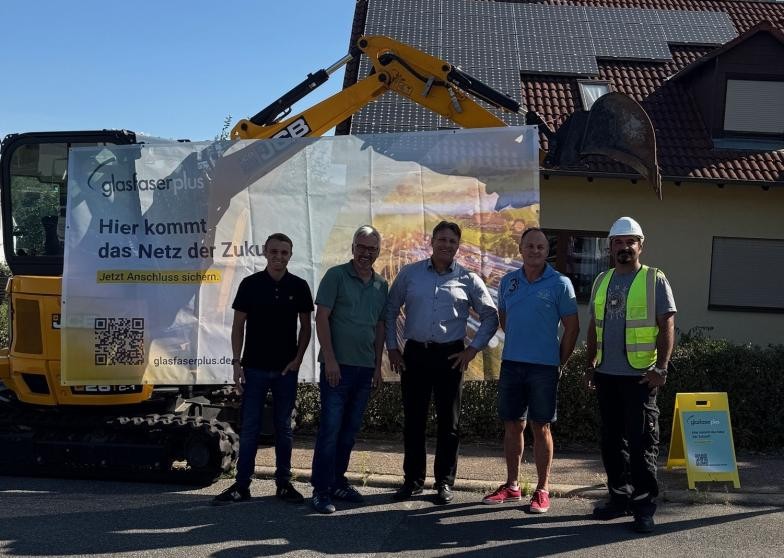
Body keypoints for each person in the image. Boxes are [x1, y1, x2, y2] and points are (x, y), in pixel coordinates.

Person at [387, 221, 499, 504]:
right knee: (414, 421)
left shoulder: (468, 278)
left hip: (450, 357)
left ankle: (444, 483)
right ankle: (412, 481)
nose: (446, 245)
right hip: (414, 355)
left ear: (457, 246)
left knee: (449, 424)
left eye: (451, 241)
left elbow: (490, 316)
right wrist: (392, 348)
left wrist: (472, 350)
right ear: (432, 242)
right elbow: (389, 311)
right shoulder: (410, 274)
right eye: (441, 239)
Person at [585, 216, 676, 534]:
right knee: (611, 442)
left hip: (640, 376)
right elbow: (593, 327)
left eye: (630, 242)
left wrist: (661, 369)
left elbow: (666, 324)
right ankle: (618, 498)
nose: (624, 247)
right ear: (610, 247)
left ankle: (644, 508)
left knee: (641, 443)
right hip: (607, 374)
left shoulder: (654, 279)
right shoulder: (601, 281)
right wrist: (590, 365)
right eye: (618, 242)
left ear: (641, 245)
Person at [482, 228, 579, 513]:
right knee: (513, 424)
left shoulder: (561, 283)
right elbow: (504, 320)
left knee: (541, 426)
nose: (535, 251)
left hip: (544, 368)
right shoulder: (508, 281)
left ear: (546, 250)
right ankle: (512, 486)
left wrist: (558, 361)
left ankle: (542, 489)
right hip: (512, 364)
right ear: (520, 249)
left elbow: (572, 328)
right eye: (530, 246)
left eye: (540, 246)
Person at [213, 233, 313, 505]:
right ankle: (241, 485)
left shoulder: (299, 286)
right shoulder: (250, 284)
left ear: (290, 255)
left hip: (285, 372)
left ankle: (283, 484)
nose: (278, 256)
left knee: (284, 428)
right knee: (249, 429)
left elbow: (307, 326)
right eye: (274, 251)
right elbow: (238, 326)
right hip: (254, 368)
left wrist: (298, 358)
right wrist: (236, 363)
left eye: (284, 252)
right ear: (265, 253)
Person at [310, 225, 388, 514]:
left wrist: (377, 366)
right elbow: (322, 319)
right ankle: (320, 490)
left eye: (372, 249)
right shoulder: (336, 276)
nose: (366, 253)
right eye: (361, 247)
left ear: (378, 252)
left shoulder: (381, 285)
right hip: (337, 369)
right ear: (353, 247)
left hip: (364, 369)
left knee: (349, 431)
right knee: (330, 430)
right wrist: (330, 358)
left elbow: (380, 326)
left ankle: (337, 482)